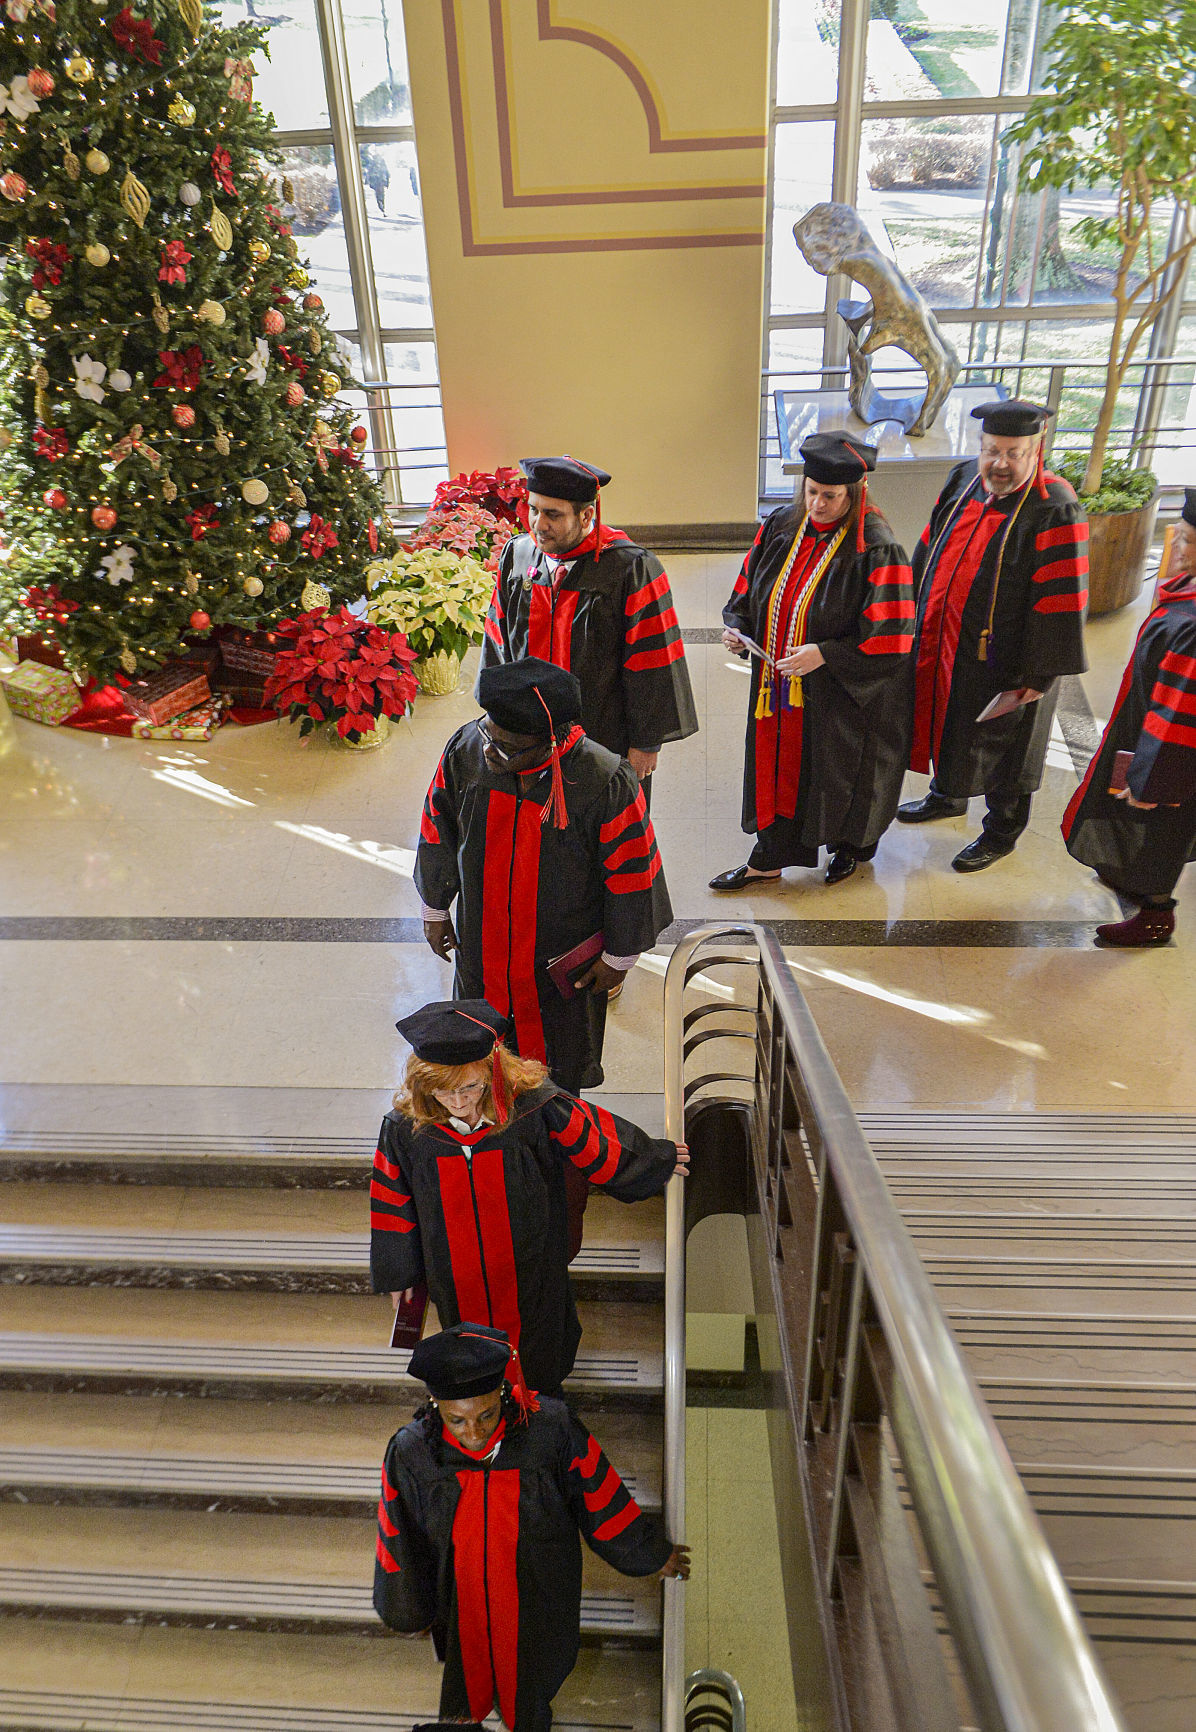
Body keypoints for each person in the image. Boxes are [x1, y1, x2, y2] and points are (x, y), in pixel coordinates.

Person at [374, 1323, 690, 1731]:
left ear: (503, 1394)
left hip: (536, 1596)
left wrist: (648, 1553)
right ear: (435, 1406)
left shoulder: (550, 1430)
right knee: (463, 1690)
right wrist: (409, 1611)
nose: (474, 1434)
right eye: (457, 1420)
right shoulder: (413, 1451)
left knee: (531, 1691)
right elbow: (399, 1537)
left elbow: (597, 1494)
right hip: (461, 1601)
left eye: (486, 1415)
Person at [370, 999, 687, 1394]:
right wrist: (401, 1271)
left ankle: (542, 1405)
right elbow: (391, 1198)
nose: (456, 1102)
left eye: (469, 1087)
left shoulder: (532, 1107)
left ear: (492, 1071)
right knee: (469, 1346)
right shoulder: (406, 1128)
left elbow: (593, 1138)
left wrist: (655, 1159)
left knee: (541, 1342)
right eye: (441, 1090)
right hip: (454, 1270)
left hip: (530, 1262)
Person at [415, 657, 672, 1093]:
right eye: (489, 736)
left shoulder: (603, 778)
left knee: (558, 1061)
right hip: (484, 945)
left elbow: (633, 871)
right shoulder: (466, 750)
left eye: (509, 748)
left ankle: (558, 1134)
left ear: (552, 741)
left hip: (560, 960)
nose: (492, 754)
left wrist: (620, 956)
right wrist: (434, 906)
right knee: (481, 1054)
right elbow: (437, 828)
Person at [711, 431, 915, 890]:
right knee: (777, 766)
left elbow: (893, 637)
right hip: (778, 687)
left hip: (845, 694)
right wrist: (739, 627)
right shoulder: (782, 525)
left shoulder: (876, 548)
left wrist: (825, 654)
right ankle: (769, 856)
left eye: (831, 496)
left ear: (855, 493)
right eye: (812, 492)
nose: (818, 505)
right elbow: (747, 587)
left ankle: (850, 848)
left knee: (841, 773)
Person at [897, 400, 1089, 870]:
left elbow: (1065, 601)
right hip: (948, 640)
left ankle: (1001, 832)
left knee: (1010, 746)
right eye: (992, 450)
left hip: (1014, 658)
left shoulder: (1055, 506)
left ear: (1035, 451)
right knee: (950, 720)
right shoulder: (963, 479)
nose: (1000, 464)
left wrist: (1038, 674)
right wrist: (911, 612)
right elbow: (930, 545)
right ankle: (948, 795)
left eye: (1014, 453)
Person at [478, 455, 698, 792]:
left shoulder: (631, 568)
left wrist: (646, 743)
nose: (538, 524)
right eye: (534, 510)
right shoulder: (518, 555)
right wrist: (497, 714)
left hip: (603, 731)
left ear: (586, 515)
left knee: (603, 826)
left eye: (553, 514)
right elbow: (498, 642)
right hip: (529, 730)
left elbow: (653, 659)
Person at [1062, 491, 1196, 947]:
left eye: (1190, 541)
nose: (1177, 546)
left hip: (1173, 754)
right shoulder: (1187, 594)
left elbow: (1179, 709)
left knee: (1160, 835)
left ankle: (1156, 914)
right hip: (1151, 734)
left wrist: (1153, 780)